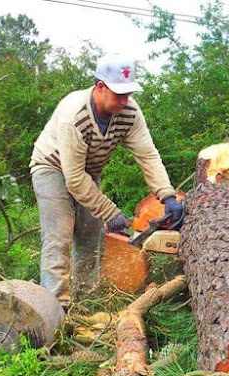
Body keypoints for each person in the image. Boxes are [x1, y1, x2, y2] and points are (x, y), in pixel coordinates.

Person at [30, 53, 184, 311]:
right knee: (60, 238)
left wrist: (167, 195)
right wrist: (110, 211)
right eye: (118, 94)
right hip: (52, 169)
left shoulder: (130, 113)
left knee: (91, 239)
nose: (124, 101)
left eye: (128, 94)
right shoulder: (75, 114)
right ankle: (55, 312)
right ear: (100, 86)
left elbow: (147, 154)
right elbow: (74, 179)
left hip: (87, 173)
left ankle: (85, 305)